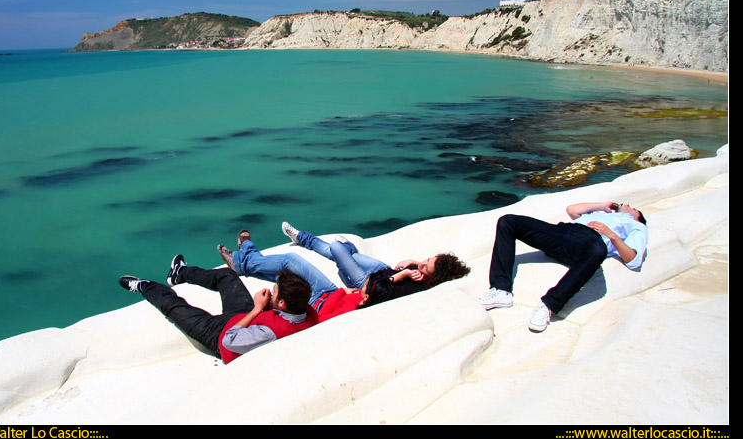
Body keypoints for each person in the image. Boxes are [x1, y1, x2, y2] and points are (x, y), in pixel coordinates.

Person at [217, 224, 470, 321]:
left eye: (426, 266)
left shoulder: (414, 288)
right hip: (335, 291)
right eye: (426, 260)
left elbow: (376, 291)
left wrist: (400, 275)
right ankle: (247, 254)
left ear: (432, 279)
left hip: (331, 296)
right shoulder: (419, 272)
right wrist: (414, 263)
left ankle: (244, 260)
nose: (421, 265)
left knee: (334, 249)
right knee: (296, 259)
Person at [477, 201, 648, 333]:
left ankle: (549, 305)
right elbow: (572, 210)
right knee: (508, 221)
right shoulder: (602, 213)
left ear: (637, 216)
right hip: (562, 232)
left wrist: (611, 235)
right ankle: (501, 290)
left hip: (590, 242)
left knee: (599, 249)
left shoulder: (636, 226)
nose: (628, 205)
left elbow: (633, 259)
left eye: (633, 208)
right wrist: (603, 205)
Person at [119, 257, 318, 364]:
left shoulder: (270, 333)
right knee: (227, 276)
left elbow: (229, 340)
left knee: (175, 308)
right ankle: (180, 273)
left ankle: (144, 286)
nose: (271, 292)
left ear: (282, 303)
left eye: (274, 293)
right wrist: (265, 306)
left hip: (218, 333)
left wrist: (257, 309)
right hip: (244, 317)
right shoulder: (304, 310)